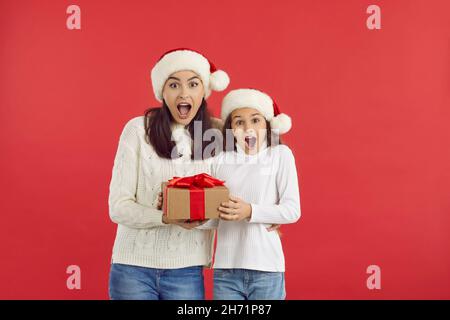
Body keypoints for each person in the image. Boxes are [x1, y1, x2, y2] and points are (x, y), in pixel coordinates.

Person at [107, 48, 229, 300]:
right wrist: (164, 216)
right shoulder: (137, 130)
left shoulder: (217, 138)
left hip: (186, 272)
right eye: (174, 85)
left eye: (193, 84)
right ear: (162, 91)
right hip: (132, 269)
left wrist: (189, 211)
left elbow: (225, 215)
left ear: (204, 91)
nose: (184, 93)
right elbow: (117, 207)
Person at [203, 88, 301, 300]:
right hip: (226, 271)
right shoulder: (220, 160)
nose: (248, 128)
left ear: (267, 124)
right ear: (231, 128)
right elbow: (212, 216)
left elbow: (292, 210)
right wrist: (190, 216)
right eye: (239, 122)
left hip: (266, 269)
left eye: (255, 120)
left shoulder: (280, 155)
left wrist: (250, 211)